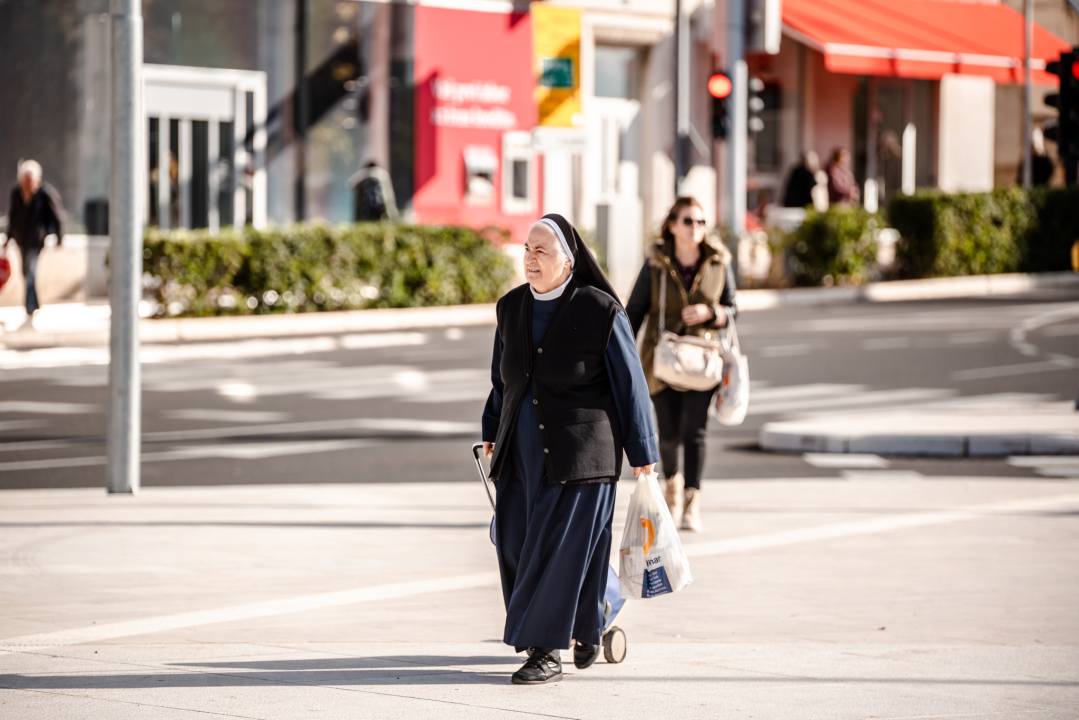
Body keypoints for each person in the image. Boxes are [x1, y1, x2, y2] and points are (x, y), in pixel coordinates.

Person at [481, 213, 659, 685]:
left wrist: (643, 453)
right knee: (517, 545)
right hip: (521, 454)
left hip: (583, 456)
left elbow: (631, 386)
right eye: (527, 249)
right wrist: (492, 428)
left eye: (542, 250)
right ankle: (590, 620)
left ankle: (544, 651)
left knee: (555, 551)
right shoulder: (510, 308)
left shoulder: (600, 311)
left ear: (568, 260)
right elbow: (503, 381)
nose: (530, 258)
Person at [626, 197, 736, 533]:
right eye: (688, 221)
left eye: (701, 222)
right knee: (669, 432)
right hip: (662, 361)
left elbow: (732, 308)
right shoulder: (656, 263)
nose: (695, 228)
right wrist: (620, 353)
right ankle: (671, 491)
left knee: (695, 431)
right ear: (672, 226)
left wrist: (710, 313)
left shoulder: (719, 261)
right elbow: (634, 311)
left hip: (703, 362)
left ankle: (691, 501)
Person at [5, 160, 65, 323]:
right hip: (21, 238)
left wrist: (59, 236)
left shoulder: (44, 194)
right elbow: (13, 217)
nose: (27, 185)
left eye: (30, 181)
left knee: (30, 271)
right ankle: (35, 303)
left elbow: (57, 215)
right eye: (25, 181)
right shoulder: (16, 193)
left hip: (36, 240)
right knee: (24, 272)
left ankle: (30, 306)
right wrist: (8, 238)